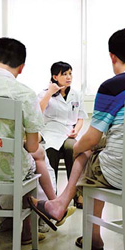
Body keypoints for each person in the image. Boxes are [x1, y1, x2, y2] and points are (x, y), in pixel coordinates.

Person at [28, 28, 125, 250]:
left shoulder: (112, 86)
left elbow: (90, 139)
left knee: (88, 153)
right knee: (102, 150)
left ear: (113, 57)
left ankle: (88, 231)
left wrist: (77, 149)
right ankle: (61, 205)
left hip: (123, 175)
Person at [0, 37, 75, 244]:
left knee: (31, 157)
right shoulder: (23, 93)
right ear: (21, 68)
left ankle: (39, 213)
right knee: (37, 155)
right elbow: (31, 146)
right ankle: (46, 211)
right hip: (9, 169)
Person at [38, 61, 87, 208]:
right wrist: (49, 93)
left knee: (73, 149)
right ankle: (51, 196)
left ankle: (77, 194)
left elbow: (80, 118)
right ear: (54, 76)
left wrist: (76, 130)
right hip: (51, 132)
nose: (68, 77)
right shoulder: (44, 93)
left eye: (70, 73)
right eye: (64, 74)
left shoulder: (76, 94)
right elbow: (37, 112)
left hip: (69, 133)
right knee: (50, 152)